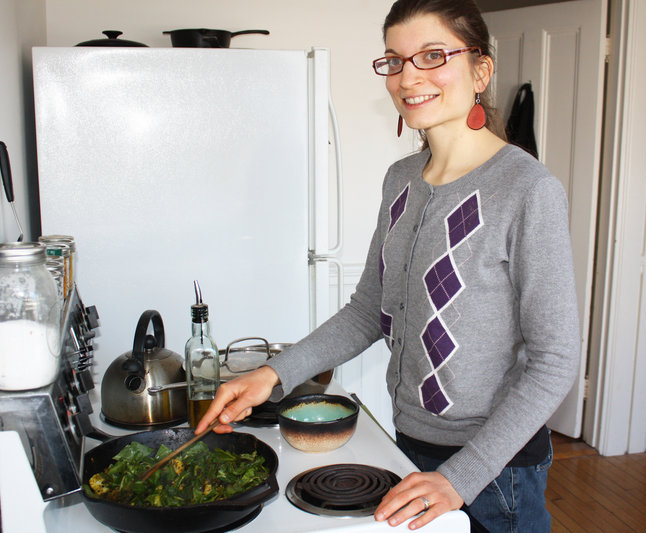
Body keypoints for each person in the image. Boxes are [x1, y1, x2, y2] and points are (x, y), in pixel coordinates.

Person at [196, 0, 581, 531]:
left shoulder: (528, 189)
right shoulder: (401, 179)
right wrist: (272, 375)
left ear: (481, 69)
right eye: (395, 60)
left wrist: (461, 476)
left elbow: (555, 360)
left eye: (432, 55)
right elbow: (367, 313)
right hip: (409, 445)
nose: (408, 77)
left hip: (496, 471)